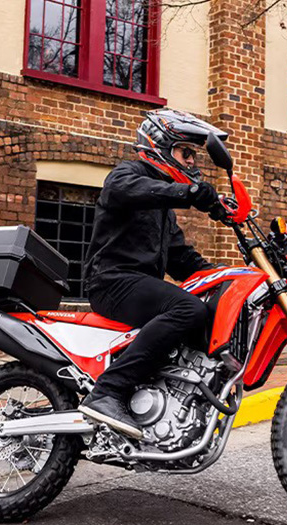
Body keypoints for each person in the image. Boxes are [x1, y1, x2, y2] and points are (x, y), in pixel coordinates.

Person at [79, 109, 228, 439]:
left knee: (205, 308)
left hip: (140, 286)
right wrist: (188, 193)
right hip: (111, 282)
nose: (191, 163)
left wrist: (227, 276)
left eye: (193, 156)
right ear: (159, 146)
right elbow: (131, 189)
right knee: (188, 309)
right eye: (185, 153)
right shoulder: (126, 176)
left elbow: (180, 259)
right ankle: (107, 392)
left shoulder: (162, 208)